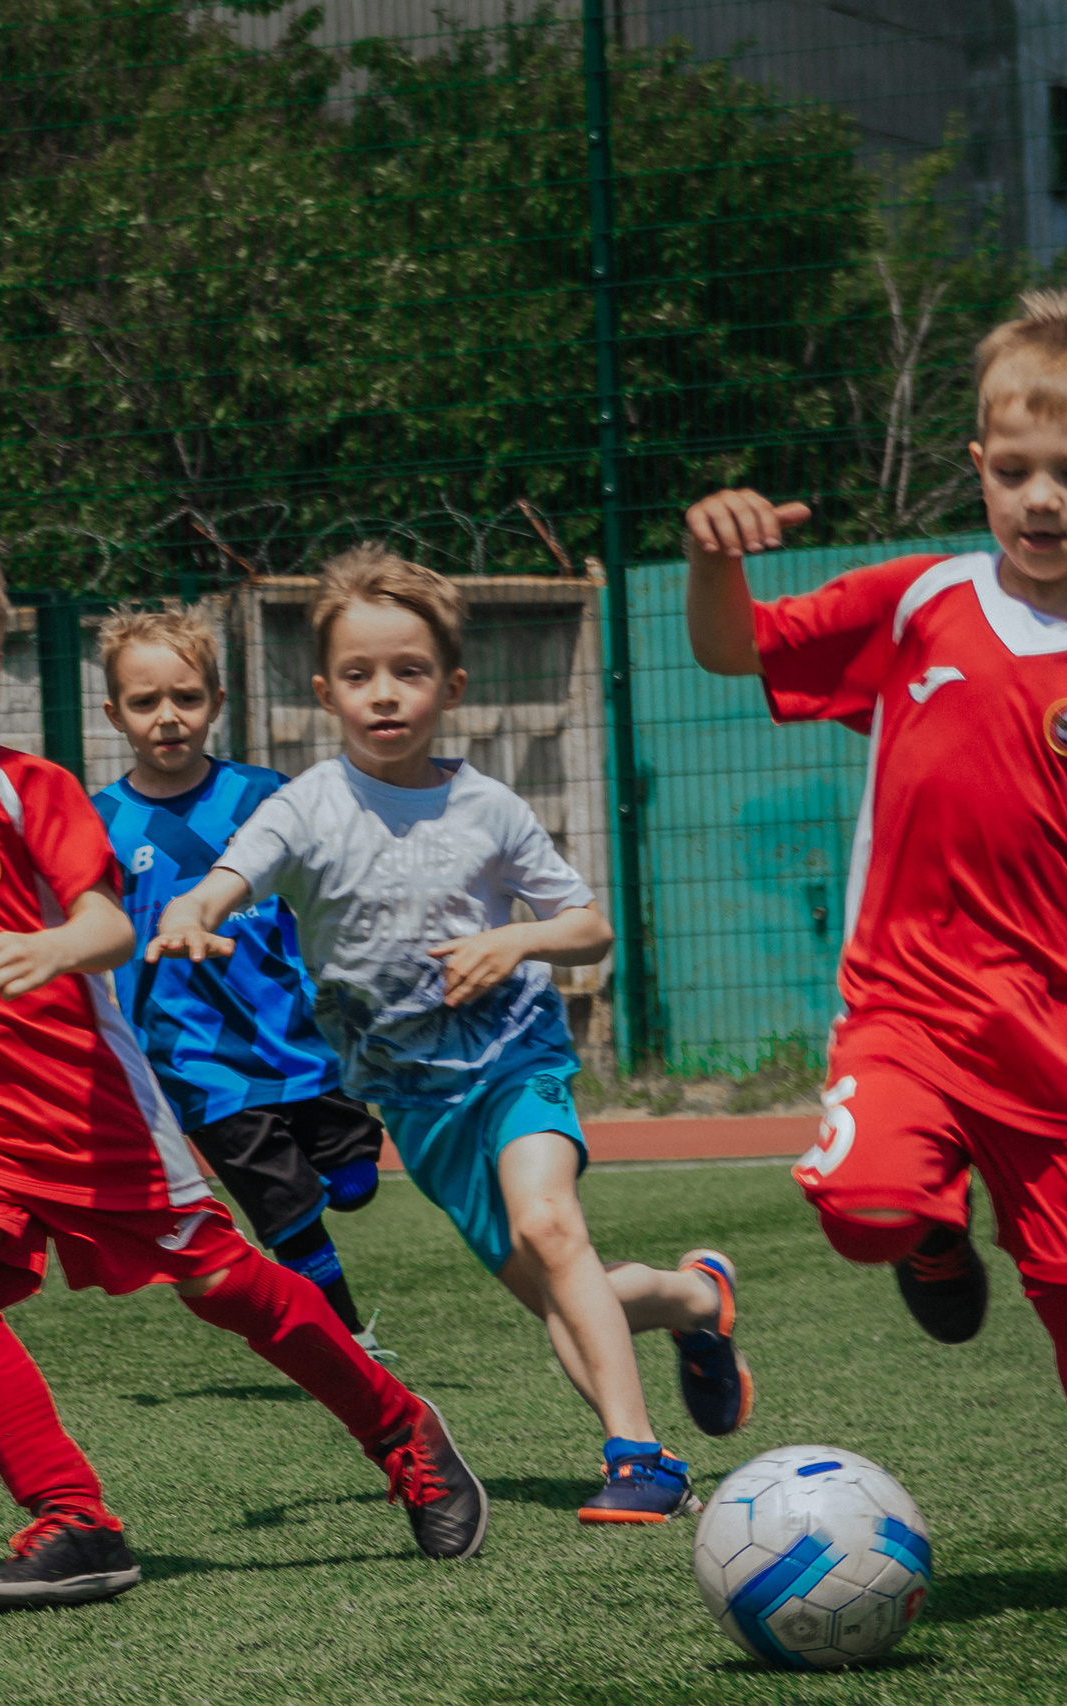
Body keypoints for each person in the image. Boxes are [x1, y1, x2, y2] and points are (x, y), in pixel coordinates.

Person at [0, 488, 487, 1613]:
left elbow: (110, 921)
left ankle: (400, 1426)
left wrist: (59, 942)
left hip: (89, 1108)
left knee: (227, 1287)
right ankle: (74, 1518)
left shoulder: (30, 791)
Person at [680, 284, 1067, 1621]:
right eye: (1013, 470)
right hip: (904, 1007)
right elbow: (734, 651)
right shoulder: (922, 600)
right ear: (978, 467)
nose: (1041, 499)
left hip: (1060, 1026)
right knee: (865, 1205)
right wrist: (717, 559)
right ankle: (932, 1242)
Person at [151, 548, 754, 1525]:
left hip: (516, 1061)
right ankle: (696, 1301)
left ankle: (641, 1457)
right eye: (358, 675)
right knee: (566, 1291)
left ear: (452, 683)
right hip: (418, 1107)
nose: (383, 694)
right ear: (322, 690)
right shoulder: (303, 807)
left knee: (550, 1224)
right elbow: (231, 873)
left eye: (408, 671)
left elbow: (589, 925)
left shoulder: (486, 806)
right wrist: (193, 909)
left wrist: (513, 935)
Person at [90, 609, 396, 1363]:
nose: (169, 718)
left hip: (298, 1036)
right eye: (145, 702)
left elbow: (333, 881)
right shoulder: (100, 823)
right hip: (195, 1060)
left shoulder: (265, 796)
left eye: (187, 698)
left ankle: (332, 1180)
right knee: (287, 1211)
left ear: (217, 702)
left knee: (355, 1178)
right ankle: (347, 1337)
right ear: (114, 715)